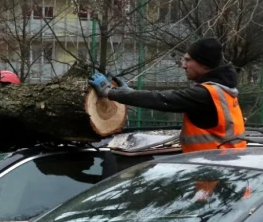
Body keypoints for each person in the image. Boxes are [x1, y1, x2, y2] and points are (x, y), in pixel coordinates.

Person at [88, 38, 246, 152]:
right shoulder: (222, 90)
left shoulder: (205, 94)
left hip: (213, 175)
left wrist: (110, 92)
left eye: (188, 60)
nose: (183, 65)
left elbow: (162, 99)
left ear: (203, 63)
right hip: (225, 169)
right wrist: (130, 93)